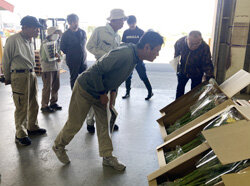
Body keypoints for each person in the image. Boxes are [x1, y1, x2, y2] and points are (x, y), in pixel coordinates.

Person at [52, 31, 164, 171]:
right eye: (157, 50)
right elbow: (96, 70)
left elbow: (116, 75)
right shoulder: (125, 54)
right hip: (85, 89)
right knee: (75, 123)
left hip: (101, 92)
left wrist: (112, 95)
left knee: (104, 125)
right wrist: (102, 93)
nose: (157, 54)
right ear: (147, 47)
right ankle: (58, 146)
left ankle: (107, 157)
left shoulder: (135, 57)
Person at [2, 16, 46, 146]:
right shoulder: (13, 40)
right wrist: (7, 77)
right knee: (21, 106)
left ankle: (32, 126)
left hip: (31, 74)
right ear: (25, 28)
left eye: (38, 28)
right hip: (19, 76)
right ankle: (20, 133)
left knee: (33, 102)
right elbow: (6, 61)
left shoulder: (29, 40)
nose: (37, 31)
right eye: (35, 28)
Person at [86, 9, 127, 133]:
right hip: (101, 69)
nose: (124, 22)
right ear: (114, 20)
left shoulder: (118, 36)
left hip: (114, 72)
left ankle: (110, 119)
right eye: (122, 20)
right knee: (98, 96)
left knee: (112, 96)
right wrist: (106, 55)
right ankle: (90, 121)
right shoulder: (99, 31)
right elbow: (90, 46)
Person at [174, 31, 214, 99]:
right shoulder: (180, 43)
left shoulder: (204, 47)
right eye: (191, 44)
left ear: (201, 40)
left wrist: (210, 77)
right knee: (180, 89)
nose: (194, 46)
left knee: (195, 92)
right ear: (187, 39)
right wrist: (177, 70)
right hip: (183, 70)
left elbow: (207, 63)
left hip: (197, 72)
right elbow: (176, 57)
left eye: (197, 43)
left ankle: (192, 107)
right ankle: (176, 106)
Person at [121, 15, 153, 100]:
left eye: (133, 23)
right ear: (127, 23)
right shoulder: (126, 32)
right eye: (129, 23)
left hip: (139, 58)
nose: (131, 25)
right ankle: (127, 92)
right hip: (129, 58)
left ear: (136, 22)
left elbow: (146, 46)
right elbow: (123, 44)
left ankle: (150, 91)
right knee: (127, 76)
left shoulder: (141, 32)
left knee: (143, 76)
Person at [60, 14, 87, 89]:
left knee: (85, 78)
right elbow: (62, 48)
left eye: (77, 21)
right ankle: (74, 95)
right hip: (73, 60)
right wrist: (72, 53)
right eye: (74, 22)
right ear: (69, 23)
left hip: (83, 60)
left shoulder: (83, 32)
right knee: (74, 78)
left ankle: (83, 94)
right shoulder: (65, 35)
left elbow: (84, 44)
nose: (76, 23)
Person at [40, 26, 62, 113]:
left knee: (56, 86)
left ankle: (53, 102)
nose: (57, 35)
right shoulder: (45, 43)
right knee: (47, 87)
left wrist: (58, 57)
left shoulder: (55, 43)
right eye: (55, 33)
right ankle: (44, 105)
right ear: (50, 34)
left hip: (56, 67)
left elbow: (58, 54)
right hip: (47, 69)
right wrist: (54, 56)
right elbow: (45, 57)